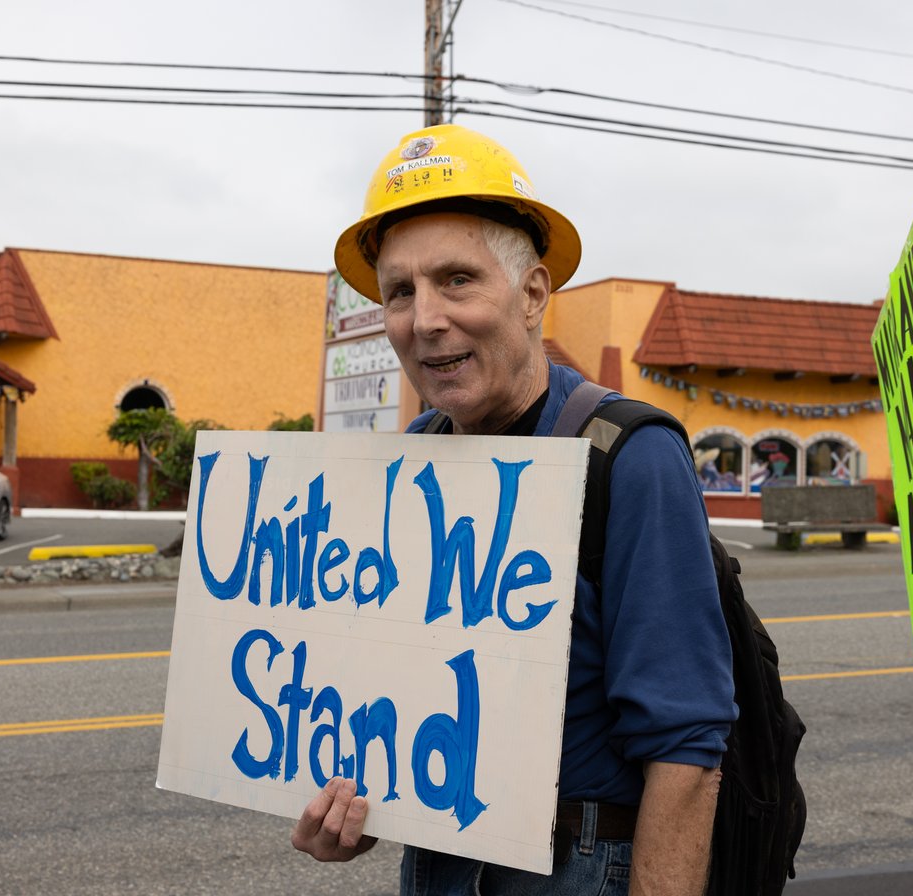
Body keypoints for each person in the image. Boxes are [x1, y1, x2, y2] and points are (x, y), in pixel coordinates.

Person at [292, 123, 736, 895]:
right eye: (400, 292)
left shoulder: (628, 456)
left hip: (578, 867)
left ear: (533, 294)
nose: (425, 318)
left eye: (457, 280)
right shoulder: (417, 453)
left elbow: (687, 749)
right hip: (439, 863)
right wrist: (356, 817)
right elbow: (405, 699)